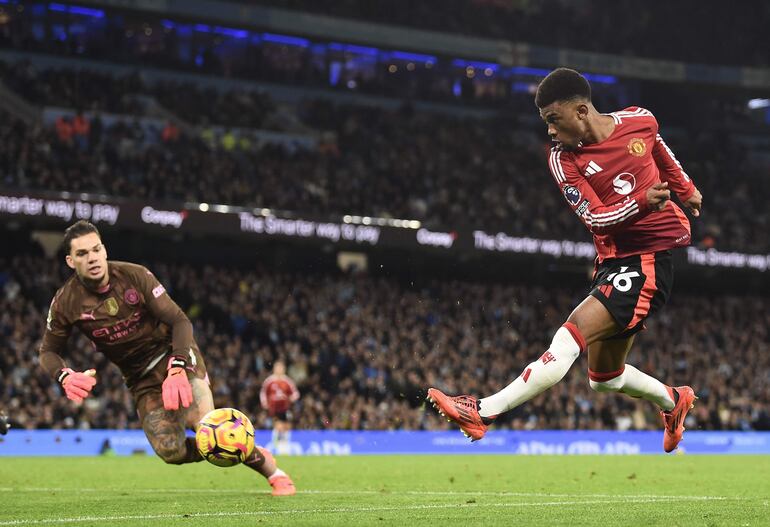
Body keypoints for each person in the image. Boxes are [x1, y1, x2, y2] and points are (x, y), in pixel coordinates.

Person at [428, 68, 703, 453]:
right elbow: (595, 219)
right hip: (612, 260)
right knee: (604, 378)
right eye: (545, 123)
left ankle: (483, 411)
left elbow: (657, 146)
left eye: (553, 120)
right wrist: (643, 201)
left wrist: (685, 188)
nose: (550, 132)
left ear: (581, 111)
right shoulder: (563, 159)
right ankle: (674, 402)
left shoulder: (639, 119)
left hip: (648, 260)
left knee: (570, 335)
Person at [38, 220, 296, 495]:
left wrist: (177, 365)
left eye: (96, 249)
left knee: (207, 426)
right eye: (82, 254)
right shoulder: (66, 302)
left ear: (104, 249)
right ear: (70, 260)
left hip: (173, 353)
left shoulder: (134, 276)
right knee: (171, 451)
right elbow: (48, 351)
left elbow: (180, 321)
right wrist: (63, 375)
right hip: (139, 377)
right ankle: (246, 448)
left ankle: (274, 472)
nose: (92, 258)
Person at [260, 360, 300, 455]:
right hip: (273, 408)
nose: (279, 369)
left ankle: (284, 446)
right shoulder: (269, 381)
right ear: (274, 369)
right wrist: (265, 403)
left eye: (281, 368)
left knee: (286, 426)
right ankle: (276, 444)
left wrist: (290, 399)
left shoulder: (287, 381)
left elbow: (295, 394)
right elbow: (263, 393)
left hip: (285, 407)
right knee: (279, 425)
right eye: (277, 367)